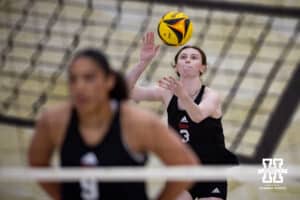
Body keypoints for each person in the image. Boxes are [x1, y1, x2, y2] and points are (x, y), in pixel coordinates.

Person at [28, 48, 199, 200]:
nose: (79, 86)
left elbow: (185, 166)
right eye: (73, 79)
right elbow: (37, 163)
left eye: (89, 78)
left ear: (109, 81)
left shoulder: (139, 123)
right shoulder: (54, 120)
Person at [127, 32, 239, 200]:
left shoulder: (211, 96)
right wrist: (143, 62)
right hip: (182, 172)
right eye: (183, 57)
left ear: (203, 68)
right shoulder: (167, 93)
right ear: (176, 67)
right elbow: (127, 92)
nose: (187, 60)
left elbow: (198, 115)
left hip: (211, 172)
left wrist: (183, 95)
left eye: (194, 57)